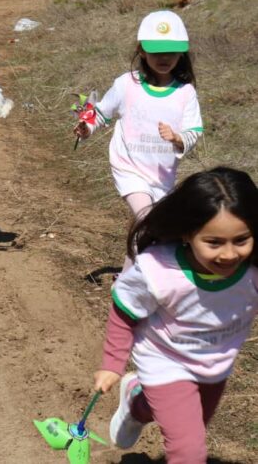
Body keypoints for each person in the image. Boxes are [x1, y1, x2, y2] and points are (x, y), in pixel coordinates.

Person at [93, 167, 258, 463]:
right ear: (187, 233)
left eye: (241, 240)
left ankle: (136, 401)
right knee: (189, 450)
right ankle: (141, 395)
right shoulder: (158, 271)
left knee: (194, 426)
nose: (230, 254)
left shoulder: (252, 270)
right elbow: (124, 312)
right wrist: (112, 364)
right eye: (214, 243)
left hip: (215, 365)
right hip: (164, 361)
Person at [75, 11, 201, 222]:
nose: (164, 58)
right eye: (157, 52)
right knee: (148, 220)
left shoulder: (185, 92)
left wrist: (177, 139)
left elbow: (194, 132)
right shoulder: (126, 84)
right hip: (128, 169)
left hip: (163, 177)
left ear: (181, 54)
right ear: (141, 51)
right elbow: (101, 113)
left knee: (147, 234)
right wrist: (86, 128)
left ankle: (135, 255)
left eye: (171, 52)